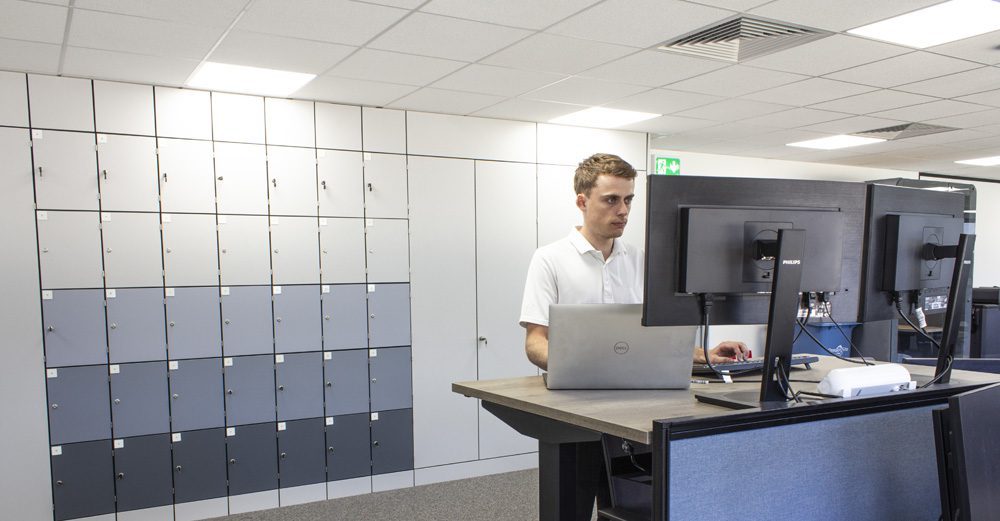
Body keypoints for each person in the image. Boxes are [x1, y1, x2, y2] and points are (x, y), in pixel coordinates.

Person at [519, 152, 748, 370]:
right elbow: (535, 342)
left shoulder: (641, 260)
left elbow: (656, 339)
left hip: (636, 385)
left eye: (628, 200)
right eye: (611, 200)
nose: (623, 211)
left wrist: (704, 354)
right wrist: (580, 367)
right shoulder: (550, 259)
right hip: (573, 390)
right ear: (582, 202)